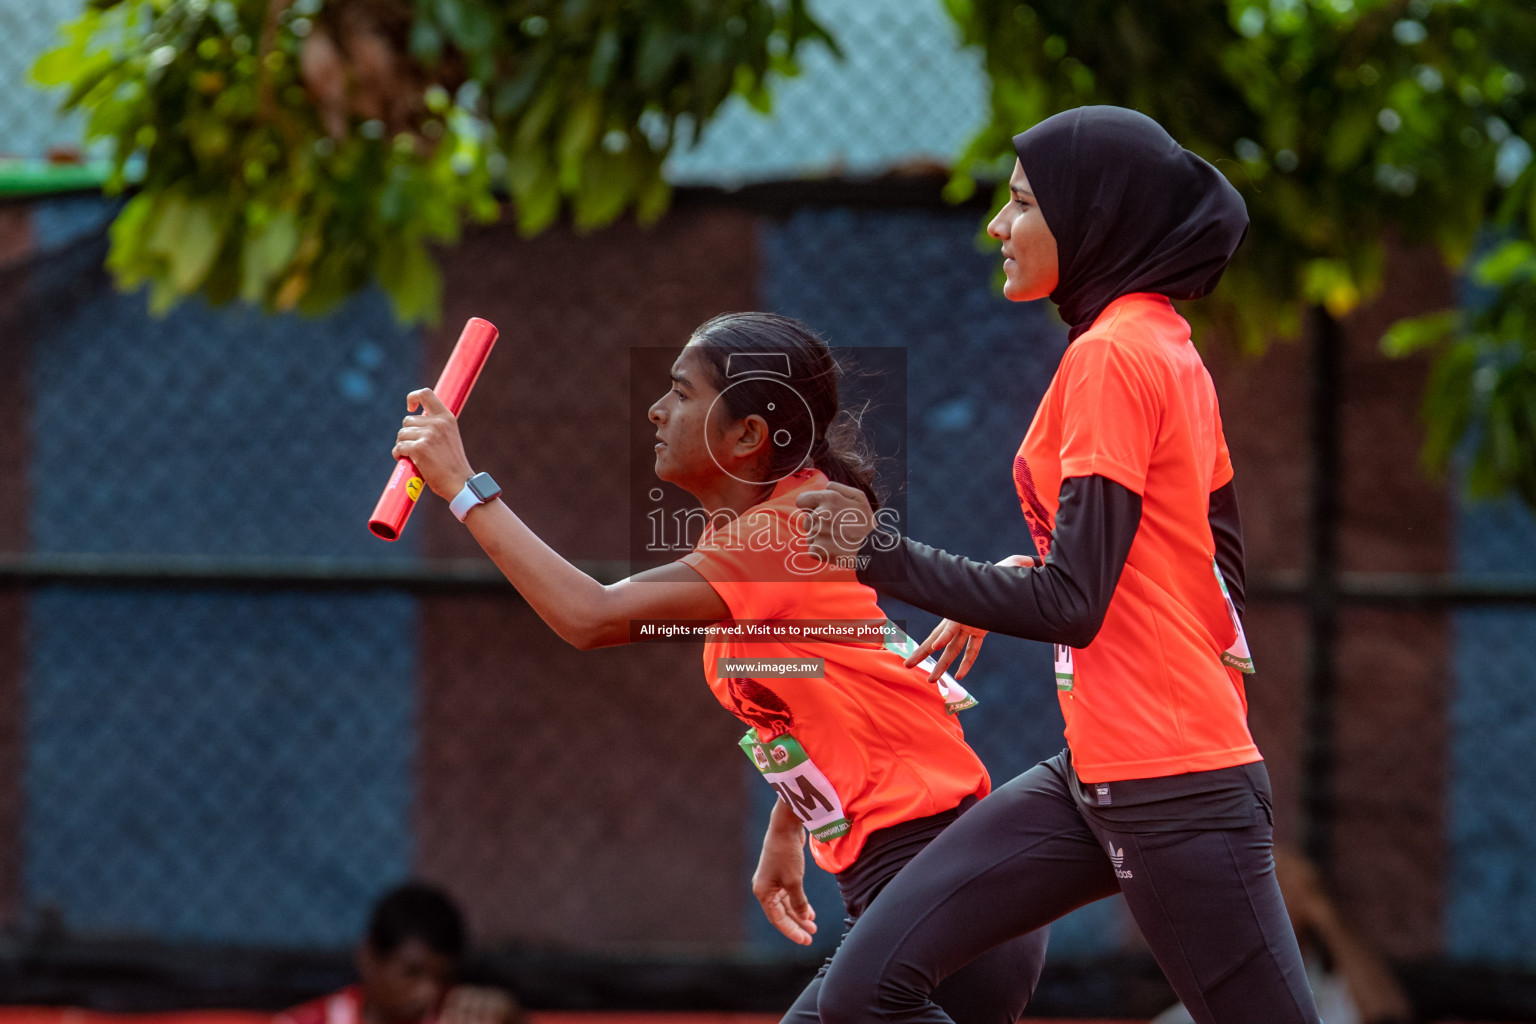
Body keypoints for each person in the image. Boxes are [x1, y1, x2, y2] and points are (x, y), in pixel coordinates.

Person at [795, 106, 1323, 1024]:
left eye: (1023, 204)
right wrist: (1018, 577)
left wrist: (875, 551)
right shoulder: (1161, 344)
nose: (999, 226)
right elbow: (1206, 561)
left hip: (1174, 788)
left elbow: (1076, 600)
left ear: (1092, 222)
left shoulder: (1114, 357)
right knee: (858, 996)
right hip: (1102, 773)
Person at [391, 311, 1049, 1024]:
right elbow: (830, 679)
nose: (655, 408)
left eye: (680, 392)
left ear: (747, 436)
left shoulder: (785, 531)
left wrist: (461, 488)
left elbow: (590, 616)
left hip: (939, 878)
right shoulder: (765, 530)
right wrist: (791, 824)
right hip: (910, 888)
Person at [276, 882, 520, 1024]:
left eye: (441, 978)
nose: (428, 992)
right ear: (368, 958)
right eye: (411, 973)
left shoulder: (460, 1018)